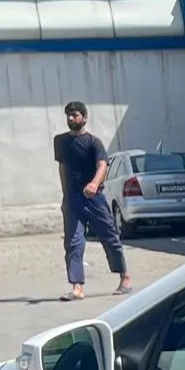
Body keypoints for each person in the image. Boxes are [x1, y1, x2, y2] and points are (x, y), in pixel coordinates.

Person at [53, 101, 130, 298]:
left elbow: (102, 165)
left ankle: (124, 277)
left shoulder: (93, 142)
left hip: (94, 198)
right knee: (73, 241)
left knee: (109, 236)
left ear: (85, 118)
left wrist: (95, 183)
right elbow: (62, 168)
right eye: (68, 115)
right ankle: (77, 287)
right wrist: (65, 196)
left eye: (75, 115)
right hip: (73, 199)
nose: (71, 118)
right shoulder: (61, 141)